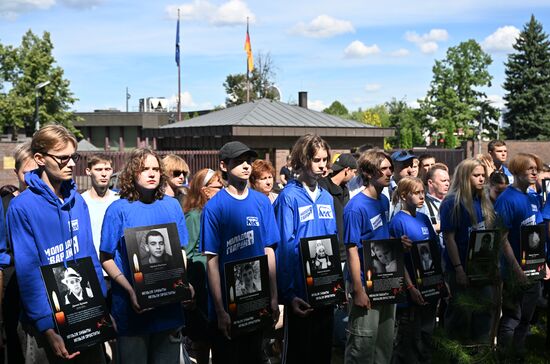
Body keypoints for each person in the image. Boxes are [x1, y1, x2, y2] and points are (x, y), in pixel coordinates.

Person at [7, 124, 107, 363]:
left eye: (74, 157)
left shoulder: (77, 202)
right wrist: (48, 327)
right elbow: (28, 272)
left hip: (85, 312)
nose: (72, 164)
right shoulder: (22, 207)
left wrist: (101, 306)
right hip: (46, 324)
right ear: (40, 159)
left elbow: (89, 256)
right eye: (63, 158)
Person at [100, 148, 192, 364]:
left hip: (168, 311)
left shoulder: (171, 205)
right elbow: (106, 258)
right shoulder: (118, 209)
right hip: (132, 312)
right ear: (133, 172)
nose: (151, 174)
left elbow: (180, 251)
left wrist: (182, 281)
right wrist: (131, 291)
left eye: (156, 169)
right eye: (144, 169)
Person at [200, 141, 279, 364]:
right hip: (228, 306)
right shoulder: (214, 207)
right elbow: (212, 262)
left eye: (248, 161)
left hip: (256, 302)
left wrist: (273, 298)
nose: (246, 166)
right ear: (224, 166)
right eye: (238, 162)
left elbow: (269, 251)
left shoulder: (262, 202)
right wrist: (220, 310)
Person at [343, 148, 411, 364]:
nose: (390, 173)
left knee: (384, 344)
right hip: (365, 284)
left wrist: (398, 244)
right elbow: (351, 249)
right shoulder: (355, 207)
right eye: (384, 169)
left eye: (390, 168)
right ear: (369, 173)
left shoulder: (383, 201)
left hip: (386, 281)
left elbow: (380, 238)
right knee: (362, 346)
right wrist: (358, 289)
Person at [273, 134, 337, 364]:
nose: (323, 165)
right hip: (300, 292)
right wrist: (289, 295)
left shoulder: (327, 197)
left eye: (325, 160)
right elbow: (284, 248)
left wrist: (336, 285)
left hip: (325, 290)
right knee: (299, 354)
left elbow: (332, 242)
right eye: (317, 160)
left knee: (322, 352)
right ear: (303, 159)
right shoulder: (288, 197)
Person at [496, 153, 549, 361]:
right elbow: (502, 238)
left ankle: (518, 355)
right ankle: (505, 357)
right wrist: (516, 269)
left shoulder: (532, 196)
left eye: (536, 168)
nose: (535, 172)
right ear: (516, 172)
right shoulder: (507, 200)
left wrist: (543, 263)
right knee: (512, 318)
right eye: (530, 169)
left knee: (526, 319)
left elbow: (536, 232)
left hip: (534, 269)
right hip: (514, 272)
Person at [439, 158, 496, 347]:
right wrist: (459, 269)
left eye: (483, 175)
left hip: (482, 269)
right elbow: (449, 238)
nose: (481, 179)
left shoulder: (483, 201)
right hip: (460, 268)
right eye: (476, 175)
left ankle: (479, 353)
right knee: (460, 316)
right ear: (465, 177)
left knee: (483, 313)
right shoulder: (451, 203)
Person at [389, 177, 439, 364]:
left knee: (426, 336)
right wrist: (410, 287)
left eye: (423, 192)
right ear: (403, 195)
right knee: (408, 340)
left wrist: (441, 283)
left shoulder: (424, 218)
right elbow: (397, 259)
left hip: (429, 286)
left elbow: (433, 252)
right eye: (416, 193)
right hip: (411, 293)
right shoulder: (397, 222)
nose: (421, 196)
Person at [182, 168, 223, 364]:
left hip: (216, 280)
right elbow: (189, 254)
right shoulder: (194, 215)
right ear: (205, 190)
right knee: (203, 338)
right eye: (218, 186)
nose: (222, 188)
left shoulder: (215, 211)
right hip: (201, 284)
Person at [1, 142, 37, 364]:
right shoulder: (6, 204)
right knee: (16, 339)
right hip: (14, 278)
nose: (32, 178)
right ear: (16, 172)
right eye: (27, 173)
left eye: (36, 173)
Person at [318, 153, 357, 260]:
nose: (354, 176)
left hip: (345, 251)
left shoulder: (345, 189)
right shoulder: (322, 187)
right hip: (327, 252)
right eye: (354, 172)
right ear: (347, 170)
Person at [81, 154, 119, 257]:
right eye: (98, 169)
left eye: (107, 169)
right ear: (88, 171)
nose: (104, 174)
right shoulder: (80, 202)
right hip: (91, 262)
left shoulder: (119, 200)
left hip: (116, 263)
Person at [418, 163, 450, 236]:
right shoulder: (422, 204)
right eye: (443, 181)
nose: (447, 184)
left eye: (448, 180)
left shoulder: (451, 203)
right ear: (430, 183)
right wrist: (439, 226)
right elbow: (418, 230)